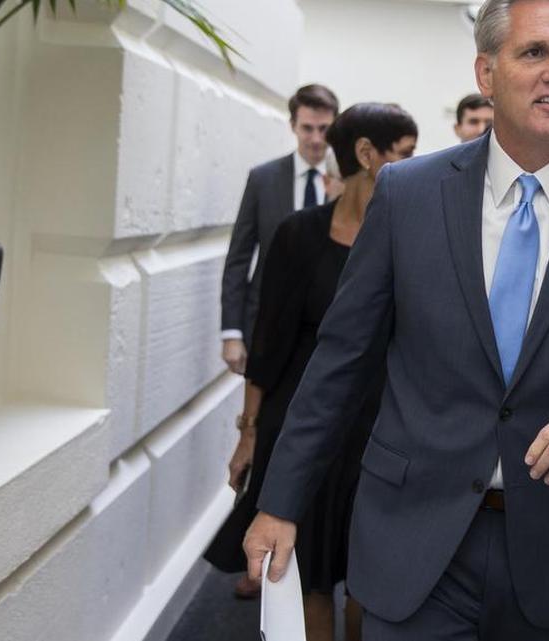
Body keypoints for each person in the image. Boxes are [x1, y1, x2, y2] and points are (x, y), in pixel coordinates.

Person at [243, 1, 549, 640]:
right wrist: (280, 501)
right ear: (487, 73)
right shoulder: (408, 195)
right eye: (534, 52)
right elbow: (340, 361)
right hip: (416, 538)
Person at [205, 103, 417, 641]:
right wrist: (248, 434)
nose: (417, 165)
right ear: (367, 155)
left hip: (380, 430)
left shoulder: (411, 237)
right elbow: (270, 343)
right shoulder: (299, 235)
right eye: (406, 154)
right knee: (310, 576)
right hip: (305, 425)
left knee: (371, 578)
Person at [220, 84, 340, 377]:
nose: (315, 138)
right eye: (307, 128)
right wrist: (231, 333)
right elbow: (239, 258)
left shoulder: (348, 180)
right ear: (293, 126)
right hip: (265, 325)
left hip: (326, 329)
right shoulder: (263, 179)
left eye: (324, 128)